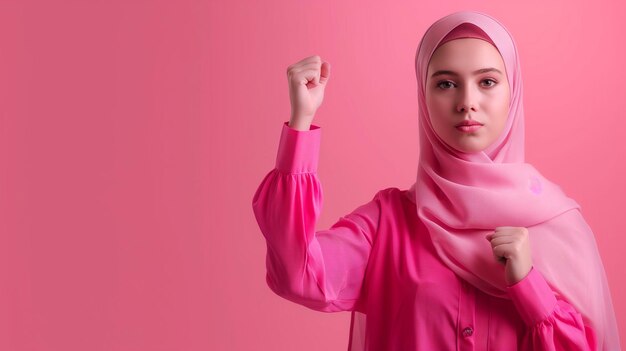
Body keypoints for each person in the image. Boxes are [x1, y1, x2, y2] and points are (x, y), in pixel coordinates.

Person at [251, 10, 621, 351]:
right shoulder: (387, 224)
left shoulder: (558, 226)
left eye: (488, 82)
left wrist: (529, 285)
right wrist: (301, 122)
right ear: (423, 97)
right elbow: (296, 273)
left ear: (513, 93)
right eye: (446, 84)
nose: (467, 102)